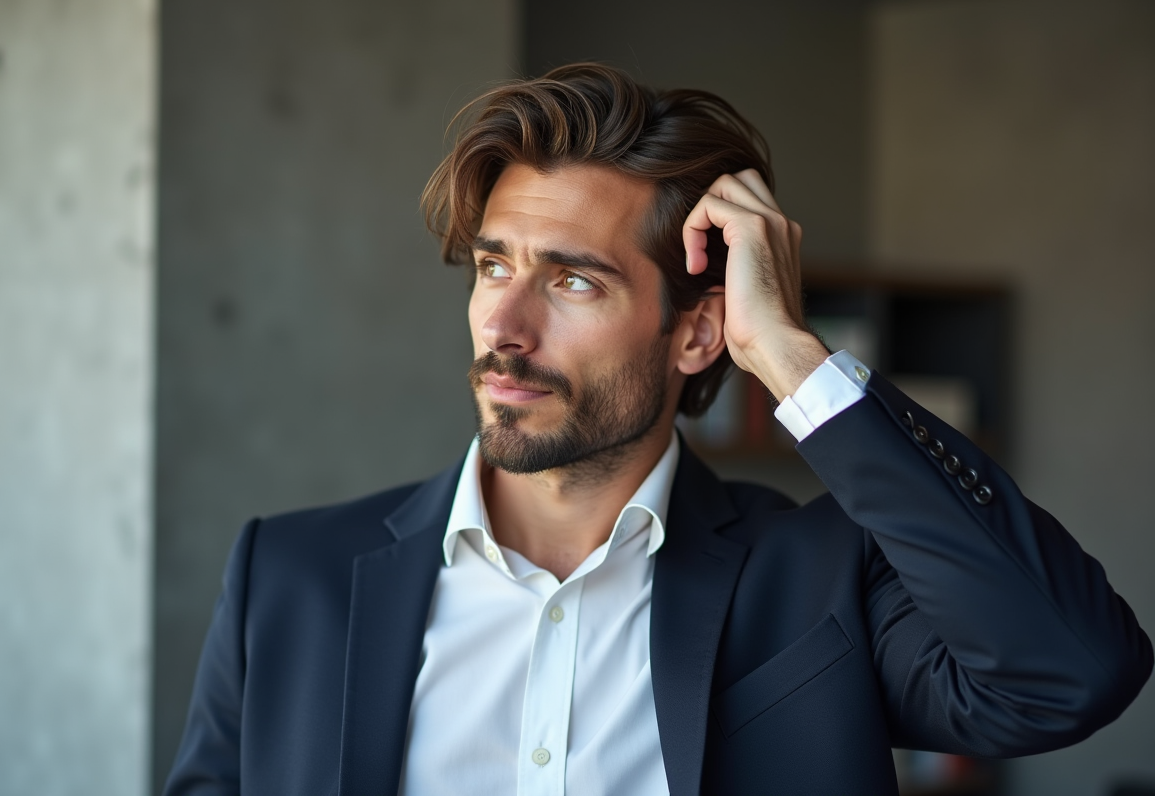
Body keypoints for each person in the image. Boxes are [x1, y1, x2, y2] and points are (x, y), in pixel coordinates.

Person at [163, 63, 1151, 796]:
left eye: (573, 279)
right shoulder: (287, 577)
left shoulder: (816, 584)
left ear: (697, 330)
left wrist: (792, 357)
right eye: (495, 266)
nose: (503, 328)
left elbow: (1070, 669)